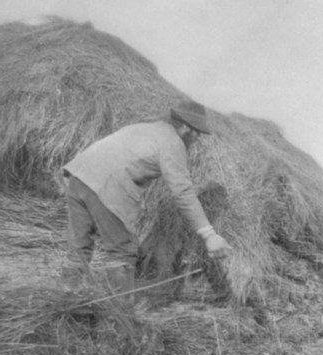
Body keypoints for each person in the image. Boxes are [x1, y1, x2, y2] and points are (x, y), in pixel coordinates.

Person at [61, 99, 233, 297]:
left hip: (78, 176)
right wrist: (209, 234)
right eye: (197, 132)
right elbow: (183, 192)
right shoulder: (172, 142)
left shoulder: (143, 128)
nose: (197, 138)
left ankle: (66, 296)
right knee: (121, 252)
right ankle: (120, 310)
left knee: (79, 246)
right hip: (107, 184)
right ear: (186, 128)